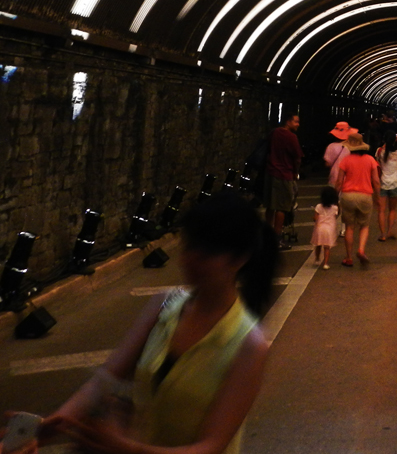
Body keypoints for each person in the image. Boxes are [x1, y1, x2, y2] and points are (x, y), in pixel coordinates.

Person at [31, 191, 277, 454]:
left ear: (238, 259)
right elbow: (104, 381)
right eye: (190, 246)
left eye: (206, 252)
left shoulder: (249, 346)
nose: (191, 259)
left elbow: (211, 447)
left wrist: (124, 447)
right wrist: (41, 431)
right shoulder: (164, 305)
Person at [333, 132, 379, 267]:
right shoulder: (370, 160)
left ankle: (348, 257)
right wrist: (377, 196)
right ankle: (361, 250)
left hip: (348, 196)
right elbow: (376, 181)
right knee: (364, 226)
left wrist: (335, 197)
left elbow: (339, 182)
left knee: (349, 227)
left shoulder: (345, 160)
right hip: (365, 195)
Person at [264, 113, 302, 251]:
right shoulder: (291, 137)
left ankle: (267, 235)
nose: (298, 125)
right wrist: (295, 172)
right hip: (284, 173)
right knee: (282, 207)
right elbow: (297, 157)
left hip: (270, 172)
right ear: (288, 121)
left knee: (270, 205)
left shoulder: (274, 133)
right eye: (296, 121)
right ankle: (276, 238)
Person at [376, 129, 397, 241]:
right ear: (394, 140)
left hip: (382, 183)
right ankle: (390, 231)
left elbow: (377, 163)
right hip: (395, 184)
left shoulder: (380, 151)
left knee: (381, 211)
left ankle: (382, 234)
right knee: (392, 210)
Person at [312, 186, 340, 270]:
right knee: (327, 247)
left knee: (318, 245)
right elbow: (336, 214)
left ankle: (317, 259)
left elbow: (315, 218)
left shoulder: (318, 206)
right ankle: (325, 263)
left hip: (319, 228)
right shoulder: (335, 208)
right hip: (329, 229)